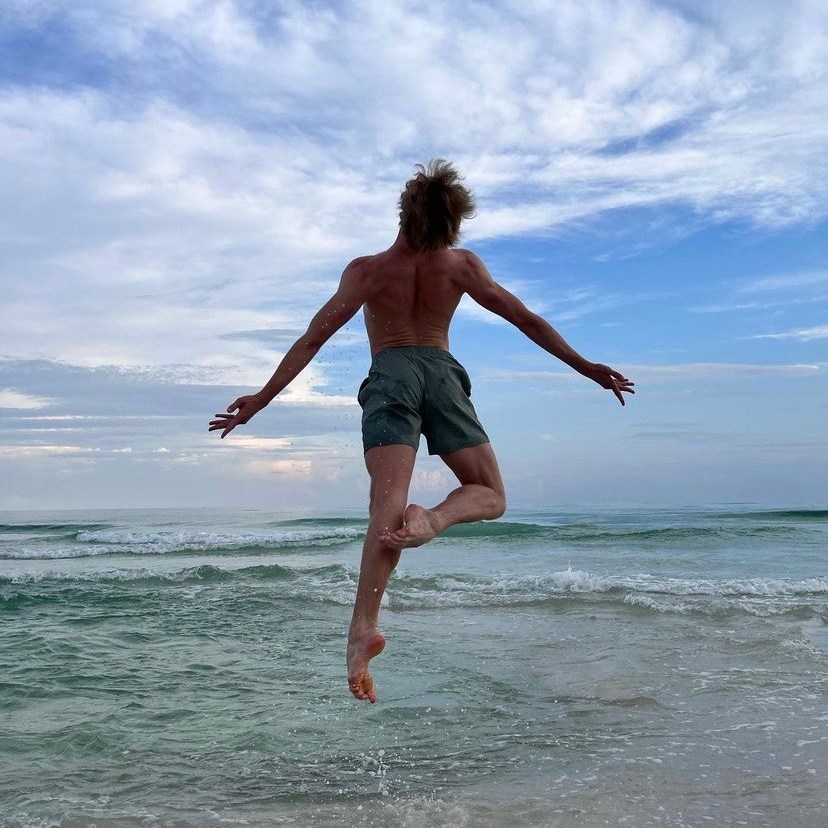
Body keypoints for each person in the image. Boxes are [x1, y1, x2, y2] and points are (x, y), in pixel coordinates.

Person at [209, 160, 634, 703]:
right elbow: (525, 319)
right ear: (452, 224)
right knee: (491, 496)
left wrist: (261, 400)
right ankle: (434, 519)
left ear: (403, 211)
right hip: (442, 373)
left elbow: (313, 339)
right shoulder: (460, 266)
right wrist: (585, 367)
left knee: (387, 507)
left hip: (392, 376)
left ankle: (363, 628)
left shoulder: (367, 272)